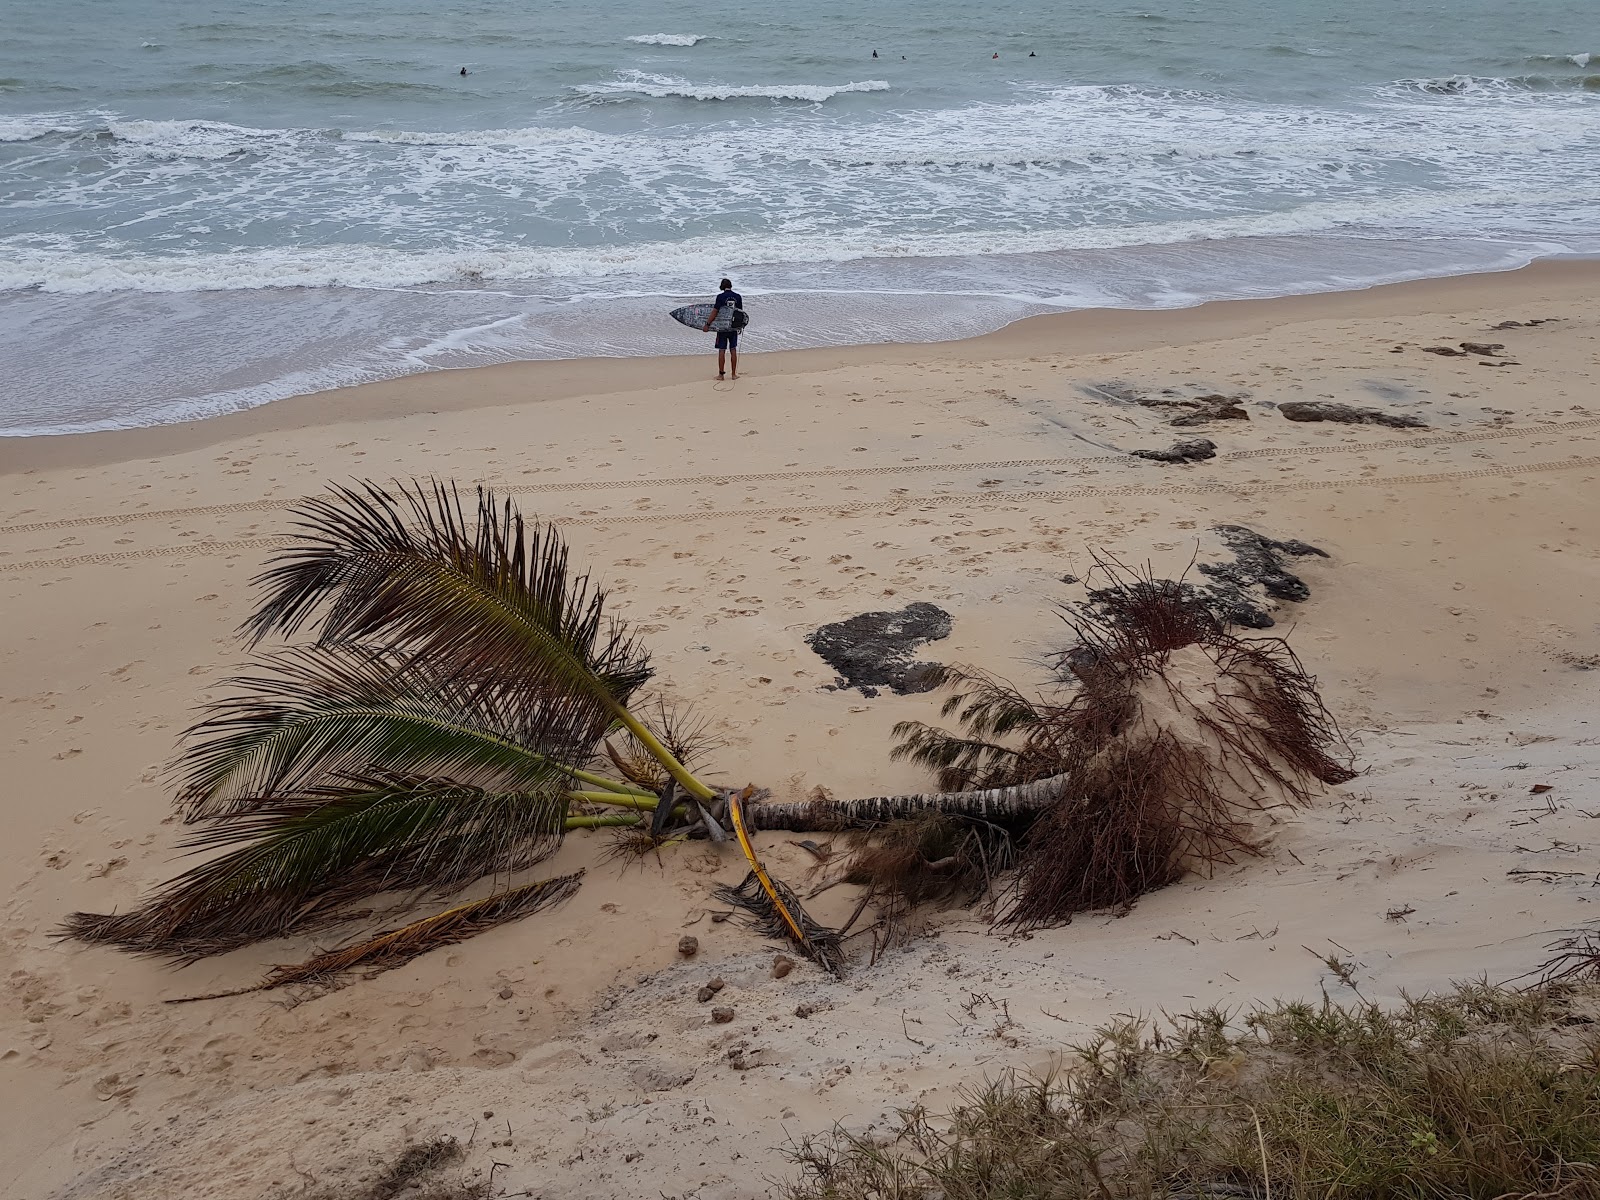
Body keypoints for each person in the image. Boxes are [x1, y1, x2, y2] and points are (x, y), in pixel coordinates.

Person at [701, 278, 743, 379]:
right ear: (730, 285)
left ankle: (721, 375)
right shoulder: (738, 297)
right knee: (733, 349)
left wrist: (707, 324)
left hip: (722, 328)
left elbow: (715, 312)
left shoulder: (720, 297)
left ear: (722, 286)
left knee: (722, 350)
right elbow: (740, 313)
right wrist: (740, 326)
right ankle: (733, 375)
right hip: (733, 327)